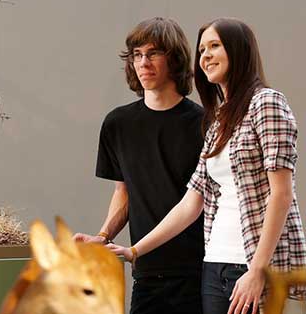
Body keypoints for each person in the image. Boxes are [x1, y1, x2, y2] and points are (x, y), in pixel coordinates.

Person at [107, 18, 306, 314]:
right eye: (202, 50)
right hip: (214, 265)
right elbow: (191, 203)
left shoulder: (267, 103)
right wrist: (135, 250)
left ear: (239, 51)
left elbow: (281, 194)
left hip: (251, 262)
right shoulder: (218, 121)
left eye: (215, 46)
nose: (206, 56)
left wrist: (256, 270)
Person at [74, 17, 205, 314]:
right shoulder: (117, 124)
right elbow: (125, 192)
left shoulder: (203, 124)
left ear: (174, 59)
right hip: (146, 271)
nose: (144, 62)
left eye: (154, 53)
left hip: (198, 272)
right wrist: (104, 236)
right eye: (137, 54)